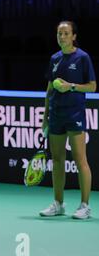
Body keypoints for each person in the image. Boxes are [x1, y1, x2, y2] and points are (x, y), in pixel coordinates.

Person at [40, 21, 96, 219]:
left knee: (81, 160)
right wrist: (45, 117)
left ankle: (85, 206)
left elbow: (92, 87)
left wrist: (70, 86)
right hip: (56, 115)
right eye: (59, 33)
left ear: (73, 36)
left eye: (65, 33)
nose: (61, 37)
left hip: (75, 115)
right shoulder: (54, 58)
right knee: (57, 160)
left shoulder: (82, 58)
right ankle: (58, 203)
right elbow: (48, 91)